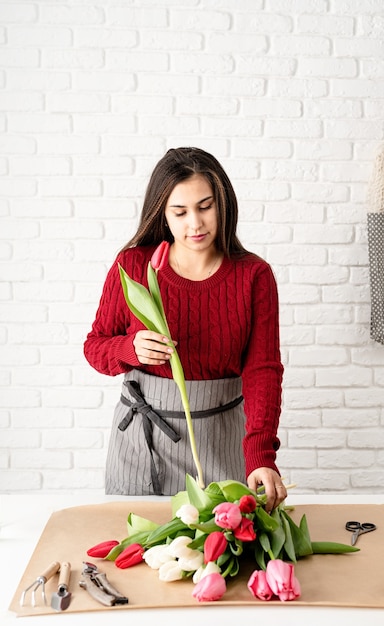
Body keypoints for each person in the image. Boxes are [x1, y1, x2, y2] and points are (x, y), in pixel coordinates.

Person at [84, 147, 287, 511]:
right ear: (162, 214)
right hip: (141, 445)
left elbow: (263, 371)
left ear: (223, 203)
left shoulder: (253, 276)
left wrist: (260, 453)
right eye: (180, 212)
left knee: (221, 556)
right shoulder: (131, 265)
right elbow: (95, 346)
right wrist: (129, 349)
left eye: (205, 207)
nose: (195, 223)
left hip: (220, 440)